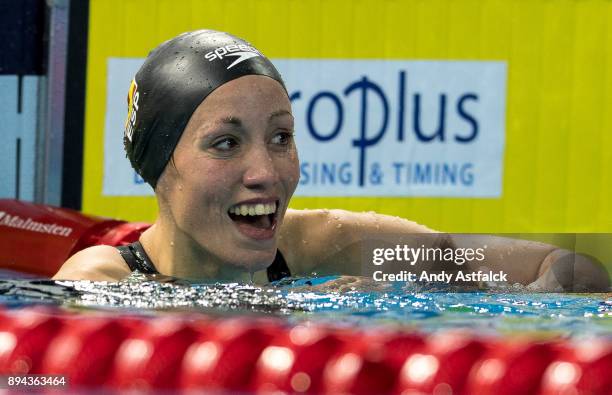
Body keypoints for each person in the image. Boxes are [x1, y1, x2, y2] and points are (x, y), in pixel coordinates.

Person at [53, 30, 609, 292]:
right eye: (225, 143)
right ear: (157, 165)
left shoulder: (326, 246)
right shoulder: (98, 285)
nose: (267, 173)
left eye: (280, 137)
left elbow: (565, 267)